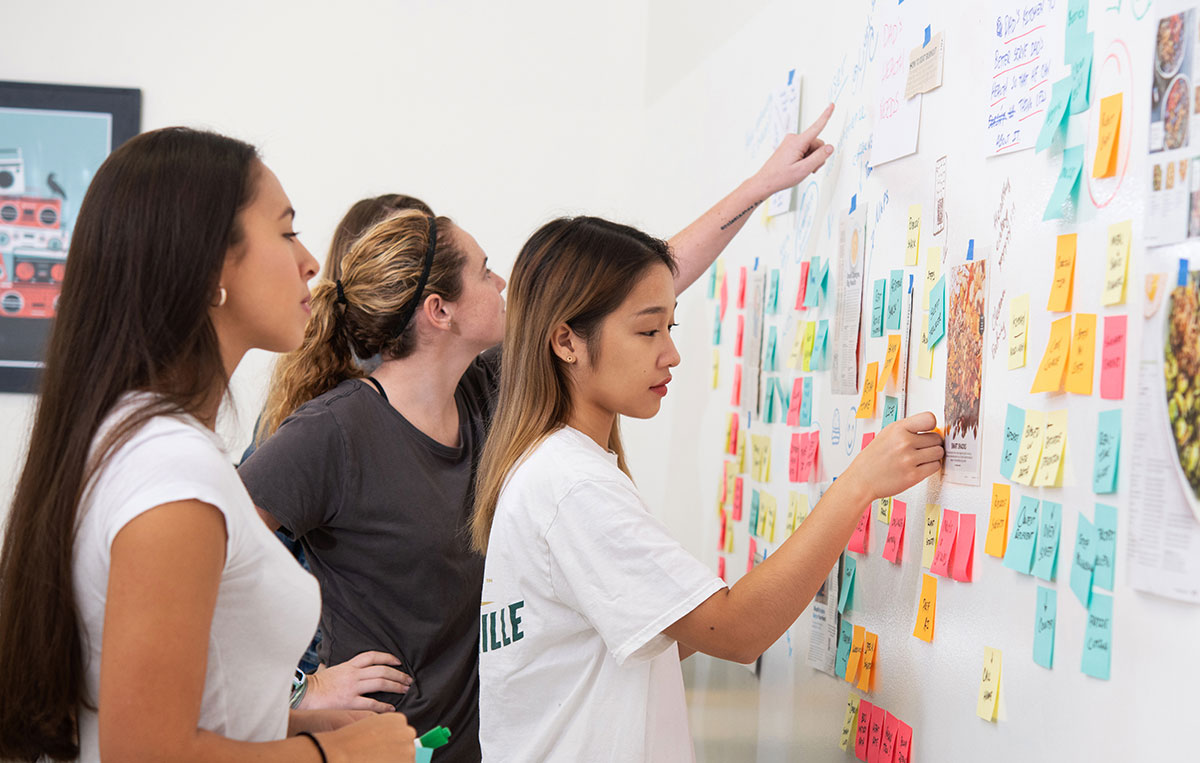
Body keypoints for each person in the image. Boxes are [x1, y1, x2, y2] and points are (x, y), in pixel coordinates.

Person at [240, 104, 841, 763]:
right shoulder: (335, 431)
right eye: (487, 270)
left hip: (474, 738)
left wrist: (760, 186)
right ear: (439, 311)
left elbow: (633, 283)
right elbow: (216, 554)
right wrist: (298, 690)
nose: (504, 284)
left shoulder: (484, 389)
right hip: (378, 744)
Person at [0, 127, 414, 761]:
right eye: (285, 230)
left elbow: (198, 710)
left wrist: (304, 726)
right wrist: (345, 757)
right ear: (212, 264)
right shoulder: (171, 467)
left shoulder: (137, 441)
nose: (309, 262)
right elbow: (148, 755)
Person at [469, 243, 941, 757]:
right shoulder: (573, 485)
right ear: (566, 342)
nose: (670, 354)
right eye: (648, 331)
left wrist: (712, 608)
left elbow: (669, 628)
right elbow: (738, 633)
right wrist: (858, 486)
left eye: (669, 329)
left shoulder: (556, 468)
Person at [243, 193, 435, 712]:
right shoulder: (320, 421)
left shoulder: (444, 401)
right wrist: (301, 688)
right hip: (340, 695)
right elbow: (229, 563)